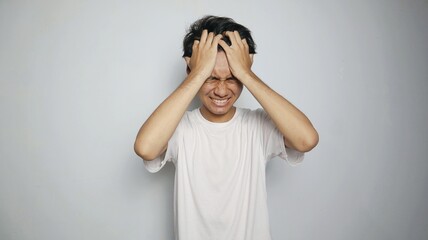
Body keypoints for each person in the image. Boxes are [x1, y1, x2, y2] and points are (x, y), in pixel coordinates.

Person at [134, 15, 319, 240]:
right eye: (211, 78)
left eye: (232, 78)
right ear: (190, 68)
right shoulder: (179, 128)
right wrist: (198, 71)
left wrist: (247, 74)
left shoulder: (258, 126)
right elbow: (145, 148)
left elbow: (306, 139)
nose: (221, 91)